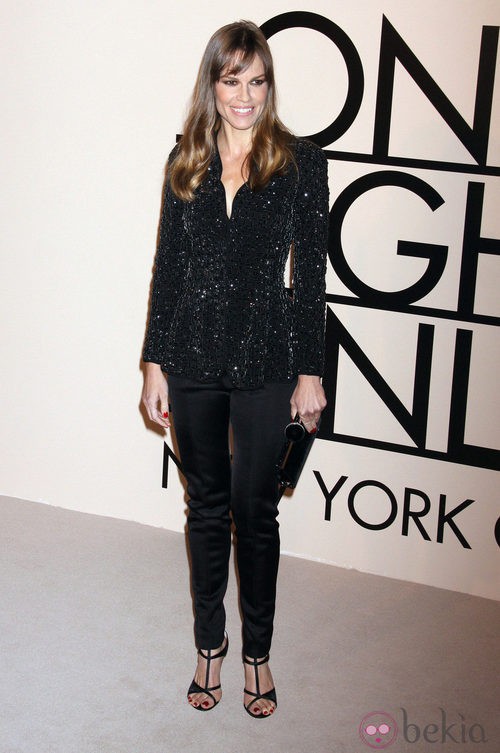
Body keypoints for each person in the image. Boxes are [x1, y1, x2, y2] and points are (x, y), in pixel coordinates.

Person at [141, 20, 329, 718]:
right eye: (232, 80)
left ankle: (257, 652)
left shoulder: (300, 161)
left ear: (269, 85)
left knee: (255, 514)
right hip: (190, 356)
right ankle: (208, 645)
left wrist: (309, 372)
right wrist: (153, 361)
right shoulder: (185, 159)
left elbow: (310, 277)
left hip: (265, 358)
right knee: (205, 509)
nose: (245, 95)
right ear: (212, 85)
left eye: (257, 80)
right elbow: (169, 268)